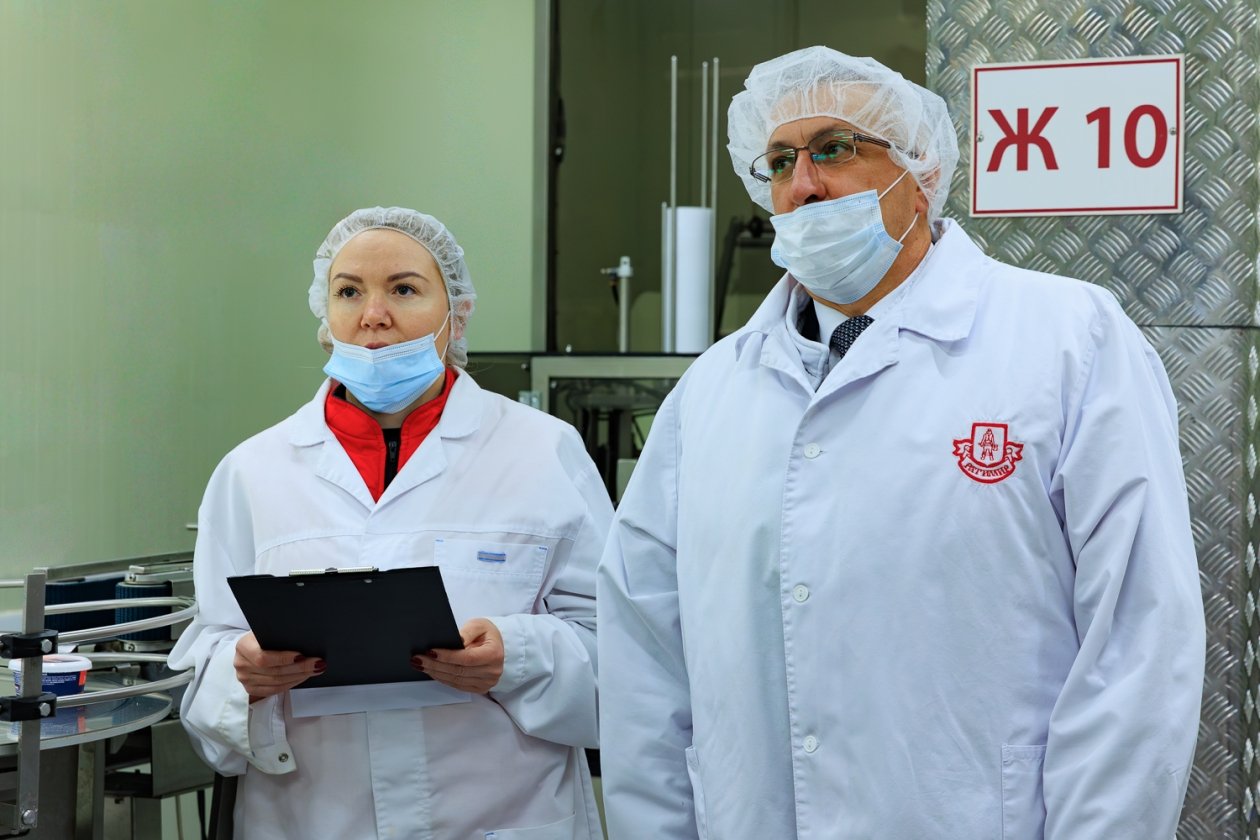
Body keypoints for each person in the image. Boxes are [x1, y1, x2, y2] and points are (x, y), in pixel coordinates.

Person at [597, 46, 1205, 839]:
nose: (803, 184)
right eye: (779, 161)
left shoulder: (1068, 340)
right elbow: (645, 660)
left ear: (921, 174)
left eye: (834, 148)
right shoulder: (711, 393)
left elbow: (1137, 642)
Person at [171, 207, 610, 839]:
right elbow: (209, 657)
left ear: (456, 314)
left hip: (502, 816)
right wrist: (244, 676)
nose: (373, 314)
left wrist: (516, 657)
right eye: (349, 292)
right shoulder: (253, 471)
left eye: (404, 289)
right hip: (311, 819)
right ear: (325, 314)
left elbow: (621, 653)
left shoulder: (543, 452)